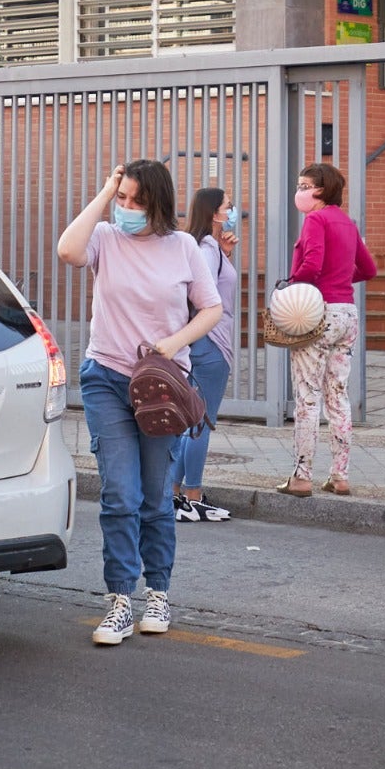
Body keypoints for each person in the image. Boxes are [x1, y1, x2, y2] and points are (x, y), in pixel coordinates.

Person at [57, 161, 222, 646]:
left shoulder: (184, 247)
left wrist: (174, 343)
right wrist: (105, 189)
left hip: (162, 386)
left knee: (153, 497)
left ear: (158, 204)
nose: (127, 209)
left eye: (135, 200)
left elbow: (211, 308)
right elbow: (68, 249)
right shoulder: (106, 237)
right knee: (119, 494)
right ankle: (119, 600)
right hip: (106, 378)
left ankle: (158, 592)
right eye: (122, 198)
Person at [278, 163, 377, 498]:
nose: (301, 191)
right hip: (347, 313)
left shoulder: (316, 220)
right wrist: (338, 282)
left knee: (307, 398)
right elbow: (369, 268)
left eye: (306, 185)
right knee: (338, 395)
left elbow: (311, 264)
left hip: (317, 314)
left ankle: (302, 477)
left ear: (323, 190)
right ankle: (340, 476)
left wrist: (292, 289)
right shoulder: (347, 222)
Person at [170, 187, 239, 523]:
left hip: (201, 342)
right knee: (201, 422)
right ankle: (194, 495)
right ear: (214, 213)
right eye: (228, 206)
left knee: (192, 422)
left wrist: (226, 254)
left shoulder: (206, 247)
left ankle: (174, 494)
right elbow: (206, 298)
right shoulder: (207, 249)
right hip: (211, 343)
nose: (232, 210)